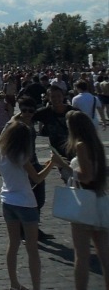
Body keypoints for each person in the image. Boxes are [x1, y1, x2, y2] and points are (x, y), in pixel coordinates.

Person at [50, 110, 109, 290]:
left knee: (81, 256)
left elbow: (86, 176)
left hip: (84, 203)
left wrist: (63, 164)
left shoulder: (81, 145)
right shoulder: (96, 145)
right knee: (105, 255)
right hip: (100, 200)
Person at [0, 121, 56, 290]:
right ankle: (36, 286)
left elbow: (0, 172)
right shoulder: (21, 155)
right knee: (32, 248)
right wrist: (52, 163)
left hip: (7, 200)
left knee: (13, 243)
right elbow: (37, 178)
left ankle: (14, 284)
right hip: (25, 203)